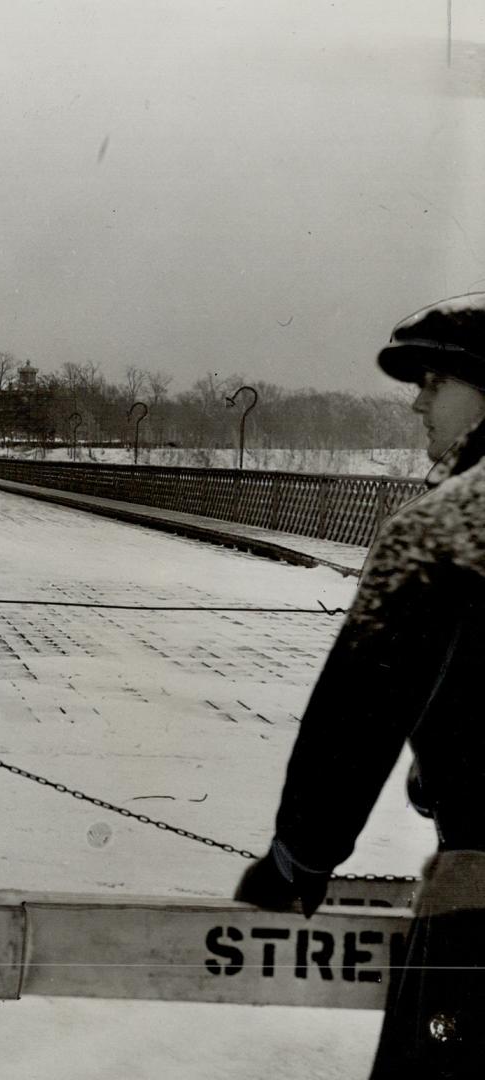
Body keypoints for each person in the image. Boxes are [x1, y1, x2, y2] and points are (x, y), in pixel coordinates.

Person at [234, 293, 485, 1078]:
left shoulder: (448, 525)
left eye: (433, 382)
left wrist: (296, 860)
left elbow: (357, 713)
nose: (416, 404)